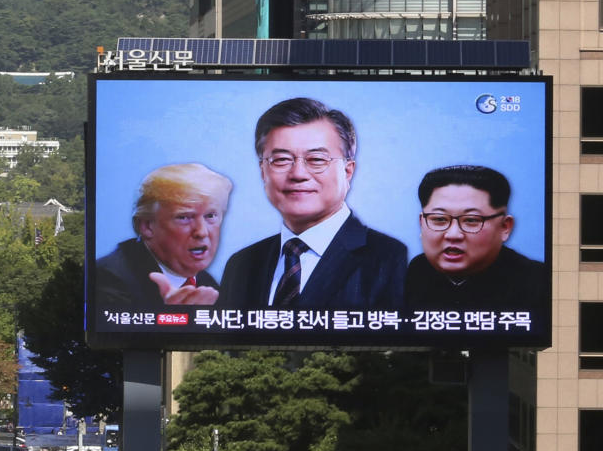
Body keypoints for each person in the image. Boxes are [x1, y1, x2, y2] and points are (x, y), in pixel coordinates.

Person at [220, 97, 406, 308]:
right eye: (281, 160)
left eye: (317, 159)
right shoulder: (242, 264)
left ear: (348, 171)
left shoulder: (392, 258)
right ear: (263, 171)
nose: (298, 174)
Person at [405, 165, 545, 309]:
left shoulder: (542, 282)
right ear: (422, 223)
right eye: (440, 219)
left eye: (471, 220)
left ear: (505, 227)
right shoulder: (417, 271)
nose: (453, 235)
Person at [95, 162, 233, 306]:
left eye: (210, 216)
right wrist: (174, 318)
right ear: (147, 226)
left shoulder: (208, 285)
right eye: (184, 217)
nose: (202, 232)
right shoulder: (108, 279)